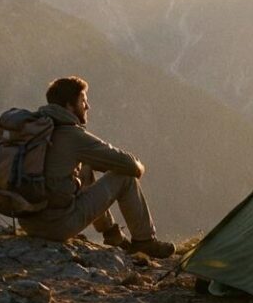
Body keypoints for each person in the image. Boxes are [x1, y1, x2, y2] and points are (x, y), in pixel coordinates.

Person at [18, 76, 177, 258]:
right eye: (83, 100)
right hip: (56, 226)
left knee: (84, 167)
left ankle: (113, 235)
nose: (87, 106)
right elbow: (130, 166)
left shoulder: (38, 130)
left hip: (28, 221)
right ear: (70, 106)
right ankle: (145, 242)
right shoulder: (72, 135)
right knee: (124, 177)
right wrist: (137, 165)